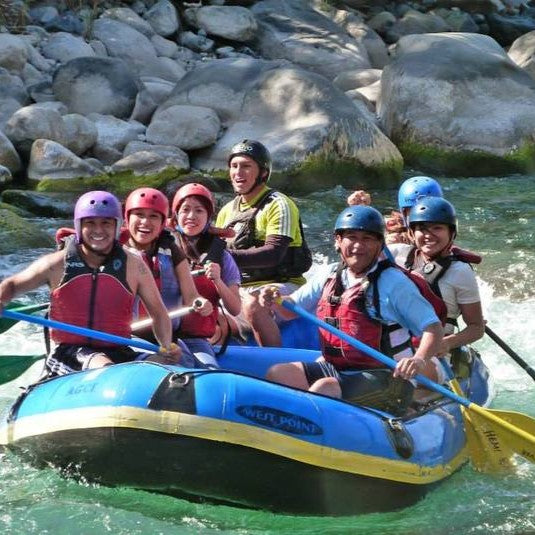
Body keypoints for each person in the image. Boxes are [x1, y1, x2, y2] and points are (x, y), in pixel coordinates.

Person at [259, 205, 444, 402]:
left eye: (367, 239)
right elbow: (289, 310)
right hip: (339, 368)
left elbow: (433, 328)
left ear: (380, 244)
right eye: (352, 237)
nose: (358, 245)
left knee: (324, 388)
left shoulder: (394, 283)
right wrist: (274, 299)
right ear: (338, 241)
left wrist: (419, 359)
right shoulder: (329, 275)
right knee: (278, 373)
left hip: (388, 375)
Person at [0, 191, 181, 376]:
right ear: (79, 226)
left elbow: (159, 313)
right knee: (104, 366)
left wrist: (166, 346)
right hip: (71, 352)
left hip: (119, 350)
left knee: (163, 365)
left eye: (106, 223)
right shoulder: (56, 264)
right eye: (90, 223)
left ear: (117, 226)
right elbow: (13, 285)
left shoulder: (134, 266)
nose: (98, 230)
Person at [215, 139, 312, 346]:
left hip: (281, 287)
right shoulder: (226, 211)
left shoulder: (279, 204)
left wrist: (224, 257)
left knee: (253, 304)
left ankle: (275, 364)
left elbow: (274, 254)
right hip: (240, 289)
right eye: (234, 166)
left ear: (263, 173)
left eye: (246, 166)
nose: (238, 172)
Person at [122, 187, 214, 366]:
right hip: (129, 337)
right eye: (139, 214)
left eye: (153, 216)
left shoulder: (172, 251)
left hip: (167, 337)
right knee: (168, 367)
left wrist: (200, 303)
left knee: (196, 369)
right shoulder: (115, 254)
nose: (145, 222)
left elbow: (191, 296)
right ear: (127, 219)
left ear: (163, 222)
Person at [391, 197, 485, 361]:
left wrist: (447, 343)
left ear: (451, 232)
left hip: (435, 353)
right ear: (412, 233)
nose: (429, 235)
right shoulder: (397, 254)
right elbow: (363, 250)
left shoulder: (460, 271)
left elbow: (477, 328)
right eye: (422, 228)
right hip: (395, 344)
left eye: (437, 228)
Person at [170, 182, 242, 367]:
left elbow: (234, 309)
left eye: (199, 211)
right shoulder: (162, 248)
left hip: (196, 340)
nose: (191, 216)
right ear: (176, 215)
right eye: (185, 210)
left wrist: (218, 280)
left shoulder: (222, 257)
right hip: (161, 336)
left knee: (208, 372)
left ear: (208, 217)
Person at [348, 176, 443, 245]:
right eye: (414, 211)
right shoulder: (393, 237)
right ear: (404, 213)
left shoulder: (444, 235)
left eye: (429, 211)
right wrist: (359, 211)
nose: (422, 217)